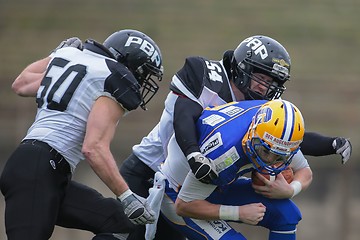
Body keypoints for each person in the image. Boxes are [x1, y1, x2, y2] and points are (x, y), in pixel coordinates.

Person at [119, 35, 351, 239]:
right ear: (243, 69)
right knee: (125, 234)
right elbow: (184, 119)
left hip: (206, 177)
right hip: (152, 169)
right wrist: (194, 154)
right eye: (262, 79)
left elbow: (286, 139)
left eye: (272, 84)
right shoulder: (204, 75)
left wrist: (330, 144)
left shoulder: (259, 109)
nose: (265, 89)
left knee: (286, 213)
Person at [0, 29, 164, 240]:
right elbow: (93, 148)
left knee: (118, 221)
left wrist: (55, 56)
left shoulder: (70, 56)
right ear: (130, 65)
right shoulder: (112, 77)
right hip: (39, 168)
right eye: (144, 74)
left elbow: (21, 84)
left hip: (43, 170)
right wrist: (127, 196)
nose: (142, 83)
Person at [157, 99, 312, 240]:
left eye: (278, 157)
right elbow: (183, 206)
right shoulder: (224, 152)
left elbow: (305, 171)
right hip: (178, 193)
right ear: (253, 133)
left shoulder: (275, 135)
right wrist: (238, 213)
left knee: (287, 214)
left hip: (217, 185)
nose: (269, 161)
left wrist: (290, 190)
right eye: (265, 151)